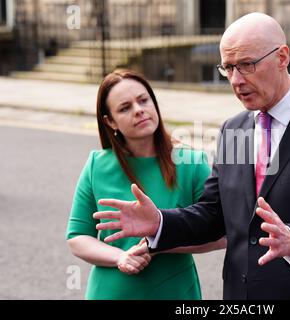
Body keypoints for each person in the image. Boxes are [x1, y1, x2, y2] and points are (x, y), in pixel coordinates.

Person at [94, 13, 290, 300]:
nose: (236, 80)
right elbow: (214, 213)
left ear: (282, 57)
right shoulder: (233, 128)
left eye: (246, 65)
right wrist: (160, 222)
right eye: (228, 68)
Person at [66, 69, 226, 300]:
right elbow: (77, 237)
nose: (139, 110)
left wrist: (160, 241)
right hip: (110, 293)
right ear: (110, 121)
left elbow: (224, 233)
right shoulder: (96, 166)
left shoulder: (191, 163)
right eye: (125, 107)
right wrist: (120, 257)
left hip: (174, 292)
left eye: (143, 100)